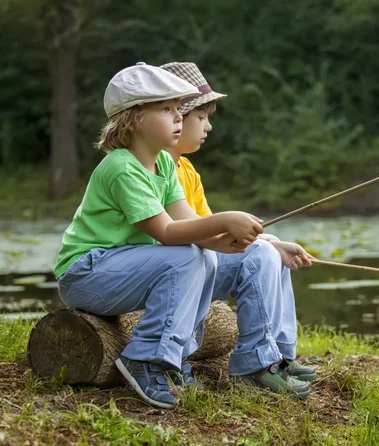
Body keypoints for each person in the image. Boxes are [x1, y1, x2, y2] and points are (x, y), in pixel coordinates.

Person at [54, 62, 263, 409]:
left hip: (120, 270)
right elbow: (167, 233)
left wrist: (221, 241)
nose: (179, 116)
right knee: (184, 257)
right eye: (166, 109)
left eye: (178, 108)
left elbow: (186, 222)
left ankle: (175, 356)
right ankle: (144, 358)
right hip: (85, 274)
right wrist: (225, 219)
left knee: (204, 256)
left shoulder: (165, 165)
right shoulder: (122, 167)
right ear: (133, 119)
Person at [160, 62, 316, 398]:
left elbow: (210, 234)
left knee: (269, 250)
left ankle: (279, 356)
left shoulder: (186, 170)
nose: (209, 126)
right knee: (260, 252)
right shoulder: (153, 168)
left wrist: (272, 242)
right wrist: (260, 245)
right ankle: (254, 367)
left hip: (198, 266)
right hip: (174, 273)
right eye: (201, 117)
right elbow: (182, 234)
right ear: (174, 117)